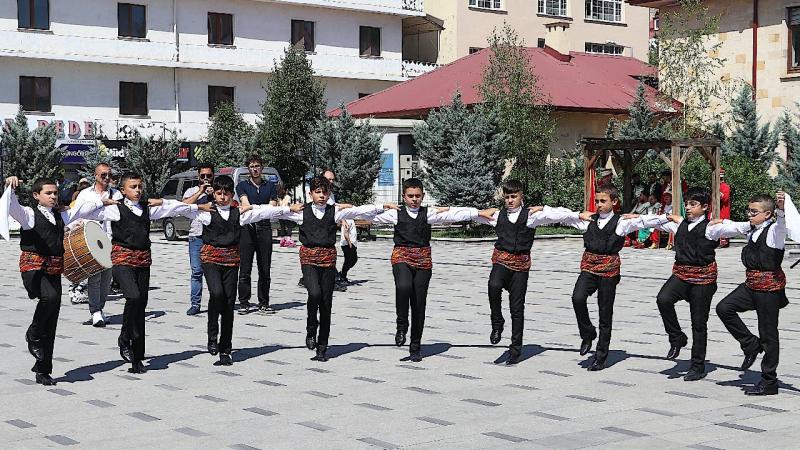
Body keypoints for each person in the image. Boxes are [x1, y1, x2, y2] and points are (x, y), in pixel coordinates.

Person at [1, 176, 115, 385]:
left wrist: (101, 201)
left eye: (55, 193)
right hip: (34, 269)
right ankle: (33, 334)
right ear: (36, 195)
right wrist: (10, 186)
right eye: (48, 193)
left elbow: (81, 209)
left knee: (52, 318)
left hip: (53, 269)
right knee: (50, 298)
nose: (53, 196)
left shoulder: (61, 215)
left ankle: (43, 370)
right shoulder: (29, 214)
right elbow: (12, 207)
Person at [539, 185, 660, 371]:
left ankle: (601, 355)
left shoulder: (621, 222)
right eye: (597, 201)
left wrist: (671, 218)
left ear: (614, 202)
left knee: (605, 312)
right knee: (577, 298)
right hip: (589, 267)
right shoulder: (589, 220)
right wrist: (543, 209)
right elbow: (565, 216)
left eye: (603, 201)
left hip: (609, 271)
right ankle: (587, 333)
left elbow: (647, 221)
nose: (599, 204)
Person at [188, 176, 302, 366]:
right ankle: (212, 335)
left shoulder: (239, 214)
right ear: (214, 194)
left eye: (226, 193)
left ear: (231, 195)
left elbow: (264, 211)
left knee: (228, 303)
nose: (222, 197)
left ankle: (225, 350)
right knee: (217, 294)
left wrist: (289, 209)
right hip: (211, 259)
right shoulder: (207, 212)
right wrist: (199, 204)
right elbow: (180, 208)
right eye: (219, 193)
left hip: (232, 261)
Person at [365, 178, 481, 362]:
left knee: (419, 304)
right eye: (410, 196)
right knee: (403, 287)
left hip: (423, 260)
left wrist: (477, 213)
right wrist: (380, 206)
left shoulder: (428, 213)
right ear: (403, 196)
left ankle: (415, 346)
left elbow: (453, 215)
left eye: (417, 196)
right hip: (402, 256)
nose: (414, 199)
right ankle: (401, 324)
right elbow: (366, 215)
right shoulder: (395, 214)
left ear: (423, 196)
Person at [281, 175, 395, 362]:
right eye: (318, 192)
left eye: (325, 192)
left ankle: (322, 348)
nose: (322, 196)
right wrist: (284, 208)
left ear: (329, 194)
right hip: (309, 259)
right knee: (314, 294)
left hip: (328, 260)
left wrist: (382, 206)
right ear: (310, 194)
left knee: (326, 303)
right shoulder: (301, 212)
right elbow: (272, 213)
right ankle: (311, 327)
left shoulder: (334, 211)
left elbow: (358, 211)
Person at [100, 172, 197, 374]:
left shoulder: (147, 208)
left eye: (139, 186)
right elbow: (87, 211)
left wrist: (196, 206)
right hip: (122, 259)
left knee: (140, 304)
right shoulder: (115, 209)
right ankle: (125, 338)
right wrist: (98, 203)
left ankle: (136, 357)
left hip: (143, 260)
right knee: (133, 297)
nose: (137, 190)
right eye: (133, 187)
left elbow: (175, 207)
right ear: (123, 190)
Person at [473, 180, 567, 365]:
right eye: (507, 197)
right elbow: (469, 214)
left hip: (521, 267)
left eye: (513, 196)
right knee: (493, 285)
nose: (510, 200)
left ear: (521, 196)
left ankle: (515, 350)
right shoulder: (497, 215)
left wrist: (545, 208)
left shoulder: (531, 216)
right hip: (501, 260)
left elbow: (560, 215)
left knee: (516, 308)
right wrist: (474, 212)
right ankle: (497, 323)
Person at [635, 187, 720, 381]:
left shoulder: (711, 228)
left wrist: (772, 217)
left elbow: (739, 227)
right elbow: (656, 222)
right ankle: (677, 337)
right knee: (663, 299)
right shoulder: (679, 224)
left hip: (703, 280)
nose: (688, 208)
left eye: (693, 204)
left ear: (705, 207)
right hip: (681, 275)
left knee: (698, 323)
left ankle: (697, 366)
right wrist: (635, 218)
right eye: (687, 204)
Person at [711, 192, 790, 396]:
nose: (749, 214)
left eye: (754, 212)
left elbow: (782, 226)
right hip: (751, 285)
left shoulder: (774, 232)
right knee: (724, 308)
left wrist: (781, 210)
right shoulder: (752, 228)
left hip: (769, 289)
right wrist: (722, 222)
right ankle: (750, 344)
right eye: (749, 211)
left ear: (767, 214)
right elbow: (736, 226)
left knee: (768, 334)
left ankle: (769, 381)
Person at [73, 163, 121, 327]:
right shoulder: (85, 194)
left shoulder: (116, 194)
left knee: (106, 280)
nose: (107, 178)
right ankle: (95, 312)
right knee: (95, 278)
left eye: (109, 175)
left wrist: (95, 211)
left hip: (110, 240)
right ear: (95, 176)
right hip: (91, 240)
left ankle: (99, 309)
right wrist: (101, 204)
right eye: (103, 175)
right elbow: (78, 213)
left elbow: (118, 215)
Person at [236, 155, 278, 315]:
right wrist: (261, 208)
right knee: (245, 268)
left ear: (262, 167)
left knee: (265, 268)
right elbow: (245, 205)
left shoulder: (270, 186)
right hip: (248, 229)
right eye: (252, 166)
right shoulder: (242, 186)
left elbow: (272, 207)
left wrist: (254, 208)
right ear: (248, 169)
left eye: (257, 166)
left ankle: (264, 302)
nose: (255, 169)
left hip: (264, 228)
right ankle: (244, 302)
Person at [182, 163, 215, 316]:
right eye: (203, 176)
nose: (206, 178)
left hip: (214, 237)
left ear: (213, 176)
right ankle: (195, 304)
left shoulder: (218, 190)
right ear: (198, 176)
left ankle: (216, 302)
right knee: (196, 271)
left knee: (214, 272)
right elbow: (183, 206)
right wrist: (201, 192)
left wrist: (213, 194)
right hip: (196, 236)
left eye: (209, 175)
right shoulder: (191, 191)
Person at [277, 182, 296, 248]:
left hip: (280, 214)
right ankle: (288, 239)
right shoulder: (287, 197)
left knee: (282, 227)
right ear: (285, 190)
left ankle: (283, 240)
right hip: (287, 213)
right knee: (289, 227)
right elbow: (287, 205)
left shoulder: (279, 197)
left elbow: (279, 205)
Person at [719, 168, 731, 248]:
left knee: (723, 225)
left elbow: (725, 198)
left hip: (723, 210)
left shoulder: (725, 186)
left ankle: (723, 242)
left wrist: (718, 193)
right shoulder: (715, 186)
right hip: (715, 210)